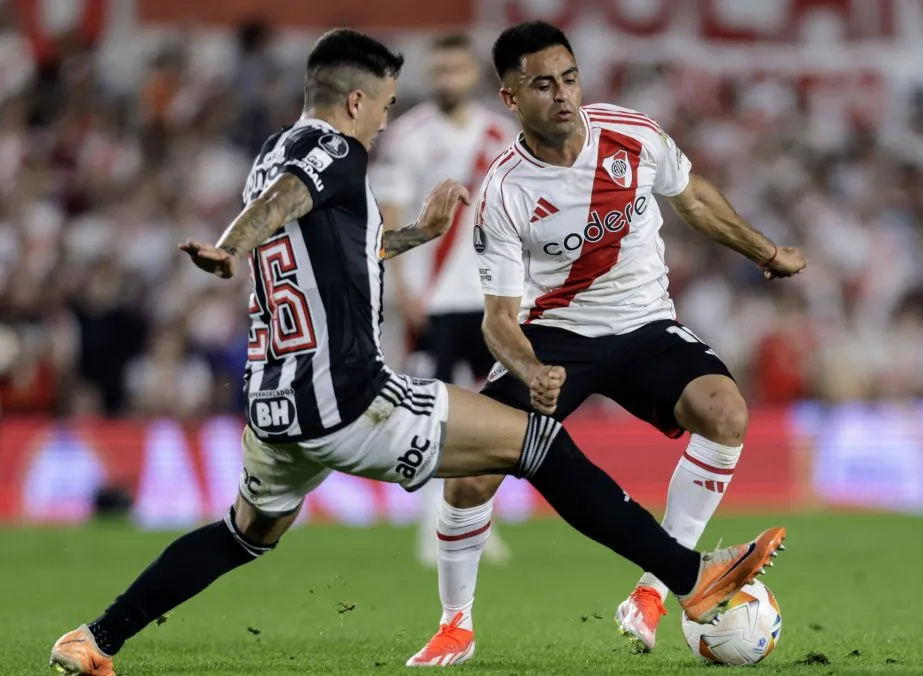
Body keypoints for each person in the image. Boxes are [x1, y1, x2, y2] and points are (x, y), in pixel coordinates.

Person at [48, 28, 785, 676]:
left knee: (246, 534)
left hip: (276, 403)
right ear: (356, 103)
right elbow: (285, 204)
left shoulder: (273, 151)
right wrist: (229, 246)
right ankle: (692, 579)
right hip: (350, 399)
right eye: (389, 103)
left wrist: (415, 237)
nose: (390, 116)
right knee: (536, 443)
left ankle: (95, 636)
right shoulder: (332, 151)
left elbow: (333, 241)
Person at [407, 21, 806, 667]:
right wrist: (532, 368)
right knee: (474, 473)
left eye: (569, 78)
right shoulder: (504, 191)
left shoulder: (633, 133)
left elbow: (693, 197)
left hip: (647, 322)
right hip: (558, 333)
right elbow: (499, 320)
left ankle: (655, 589)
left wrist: (765, 250)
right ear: (511, 98)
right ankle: (457, 623)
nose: (562, 95)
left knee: (726, 412)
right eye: (543, 84)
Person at [372, 33, 516, 568]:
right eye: (439, 70)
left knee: (496, 411)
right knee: (435, 412)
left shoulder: (501, 134)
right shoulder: (408, 136)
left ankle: (480, 521)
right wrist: (404, 285)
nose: (446, 80)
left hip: (490, 296)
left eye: (455, 69)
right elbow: (390, 215)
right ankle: (430, 521)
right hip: (431, 298)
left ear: (474, 74)